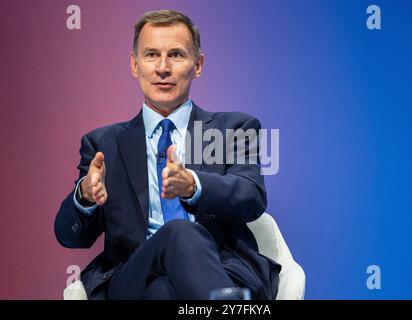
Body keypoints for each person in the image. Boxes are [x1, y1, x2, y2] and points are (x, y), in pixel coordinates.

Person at [55, 9, 280, 300]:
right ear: (135, 65)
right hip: (132, 274)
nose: (163, 67)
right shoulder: (102, 144)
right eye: (151, 55)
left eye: (175, 54)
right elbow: (70, 236)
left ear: (197, 65)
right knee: (177, 233)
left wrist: (194, 187)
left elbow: (251, 198)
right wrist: (84, 196)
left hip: (222, 271)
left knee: (162, 291)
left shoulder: (234, 128)